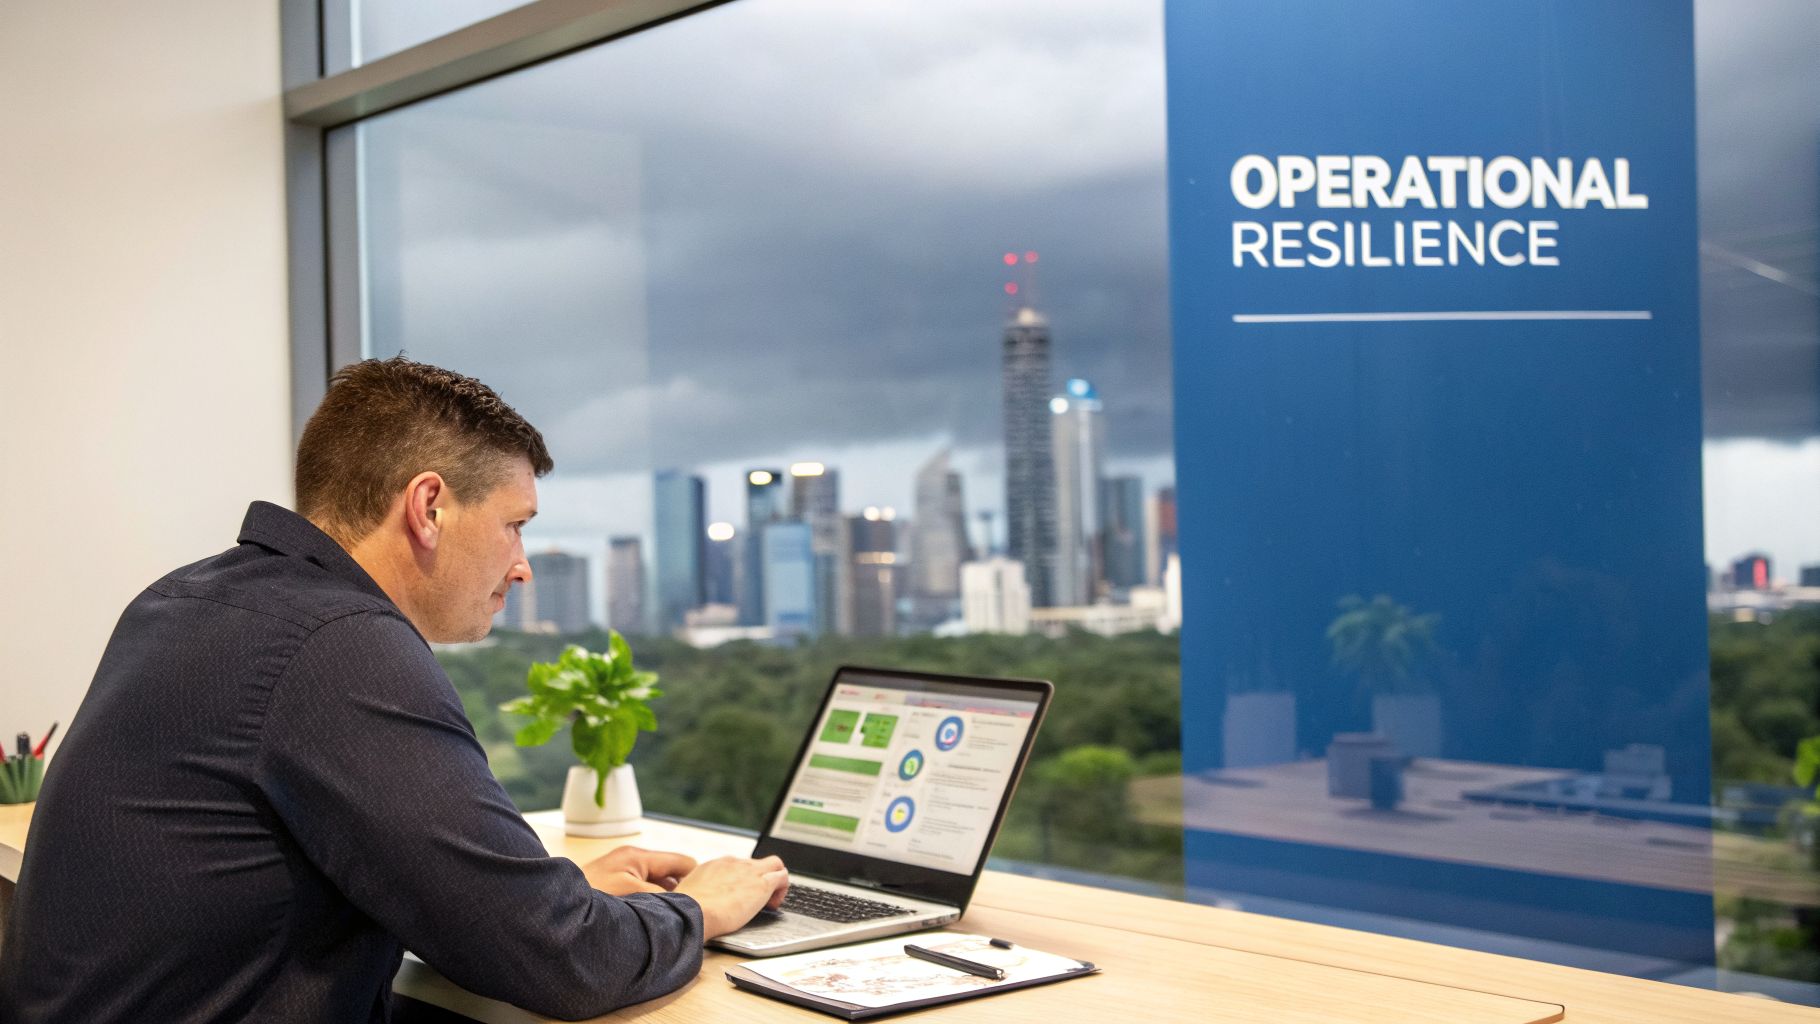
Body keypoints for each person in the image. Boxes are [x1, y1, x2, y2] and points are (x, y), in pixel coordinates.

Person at [0, 358, 789, 1022]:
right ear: (428, 507)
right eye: (516, 525)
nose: (523, 565)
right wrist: (700, 908)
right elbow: (560, 960)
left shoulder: (188, 598)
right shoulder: (338, 645)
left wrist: (552, 892)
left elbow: (373, 871)